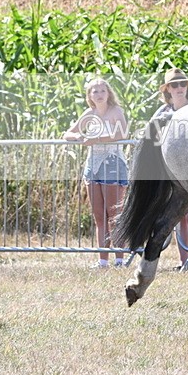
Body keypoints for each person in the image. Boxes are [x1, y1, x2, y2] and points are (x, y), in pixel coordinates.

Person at [63, 77, 129, 269]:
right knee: (99, 215)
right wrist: (78, 136)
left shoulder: (116, 111)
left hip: (112, 163)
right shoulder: (88, 114)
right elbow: (68, 133)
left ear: (108, 93)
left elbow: (122, 134)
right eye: (95, 91)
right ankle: (102, 260)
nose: (99, 95)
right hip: (93, 166)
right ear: (89, 96)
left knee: (114, 214)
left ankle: (119, 258)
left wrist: (97, 139)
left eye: (102, 91)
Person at [152, 67, 188, 269]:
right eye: (175, 85)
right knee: (179, 217)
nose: (180, 87)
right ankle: (184, 261)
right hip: (171, 171)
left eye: (183, 84)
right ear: (168, 90)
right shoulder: (163, 112)